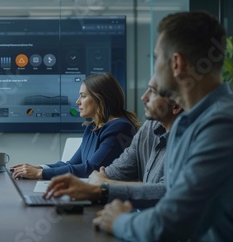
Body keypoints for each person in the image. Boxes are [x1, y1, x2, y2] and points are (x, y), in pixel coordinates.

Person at [53, 11, 233, 241]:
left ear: (177, 64)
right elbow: (170, 193)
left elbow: (170, 222)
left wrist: (119, 220)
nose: (154, 68)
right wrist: (102, 190)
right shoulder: (187, 124)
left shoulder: (221, 126)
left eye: (156, 57)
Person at [43, 74, 182, 209]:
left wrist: (103, 186)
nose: (143, 97)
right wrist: (42, 168)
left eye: (153, 92)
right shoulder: (148, 127)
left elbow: (167, 192)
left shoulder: (121, 127)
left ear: (175, 105)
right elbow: (114, 171)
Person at [11, 73, 140, 180]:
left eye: (83, 96)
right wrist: (39, 168)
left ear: (101, 99)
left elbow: (91, 169)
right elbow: (72, 164)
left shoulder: (121, 128)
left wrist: (40, 174)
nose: (77, 101)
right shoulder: (92, 127)